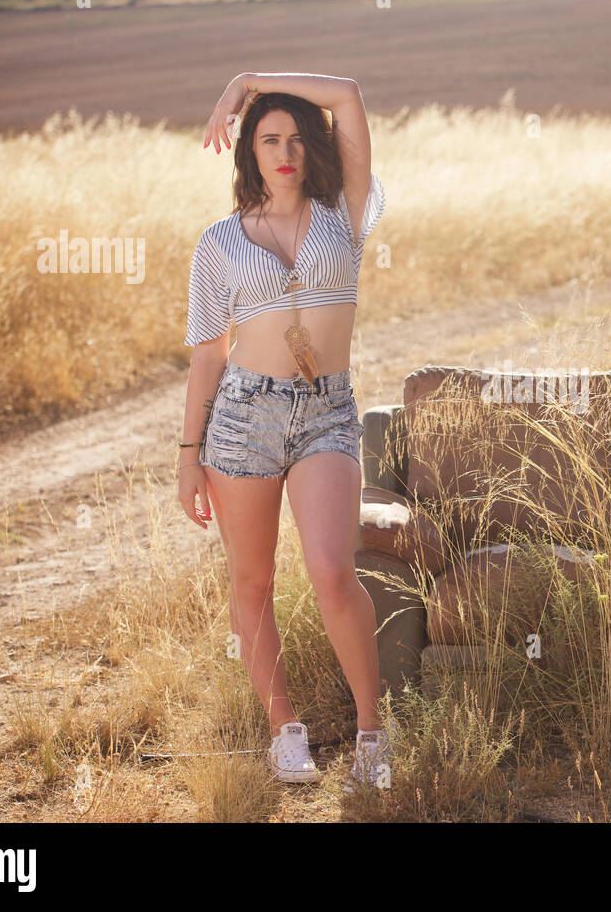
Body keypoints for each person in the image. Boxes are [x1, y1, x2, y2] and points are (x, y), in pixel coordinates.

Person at [175, 71, 392, 786]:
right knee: (252, 580)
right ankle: (284, 730)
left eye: (297, 138)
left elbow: (348, 94)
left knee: (332, 571)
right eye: (269, 139)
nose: (286, 152)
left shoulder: (343, 212)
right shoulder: (219, 243)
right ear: (250, 152)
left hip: (326, 412)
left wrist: (244, 84)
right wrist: (188, 455)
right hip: (242, 419)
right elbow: (209, 357)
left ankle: (372, 736)